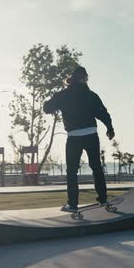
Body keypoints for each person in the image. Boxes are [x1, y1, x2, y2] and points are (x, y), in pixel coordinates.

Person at [43, 66, 115, 212]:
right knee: (96, 167)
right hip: (91, 134)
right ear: (82, 79)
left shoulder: (63, 95)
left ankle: (73, 204)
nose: (85, 81)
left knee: (72, 171)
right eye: (85, 78)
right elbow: (102, 112)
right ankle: (103, 199)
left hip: (74, 137)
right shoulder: (91, 95)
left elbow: (47, 108)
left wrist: (53, 104)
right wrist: (110, 128)